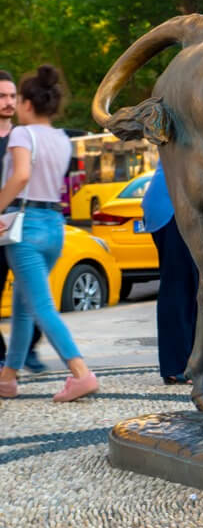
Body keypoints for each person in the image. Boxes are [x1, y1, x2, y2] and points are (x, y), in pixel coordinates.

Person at [0, 65, 98, 400]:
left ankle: (81, 373)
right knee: (24, 304)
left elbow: (21, 175)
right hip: (54, 226)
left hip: (25, 226)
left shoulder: (21, 135)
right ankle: (8, 377)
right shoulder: (61, 139)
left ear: (27, 103)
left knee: (40, 306)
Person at [0, 71, 45, 372]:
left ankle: (27, 347)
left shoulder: (23, 137)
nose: (8, 102)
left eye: (12, 96)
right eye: (2, 96)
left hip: (23, 222)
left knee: (32, 290)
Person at [142, 161, 199, 384]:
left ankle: (190, 361)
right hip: (172, 207)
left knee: (190, 285)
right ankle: (176, 366)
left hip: (174, 204)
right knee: (180, 285)